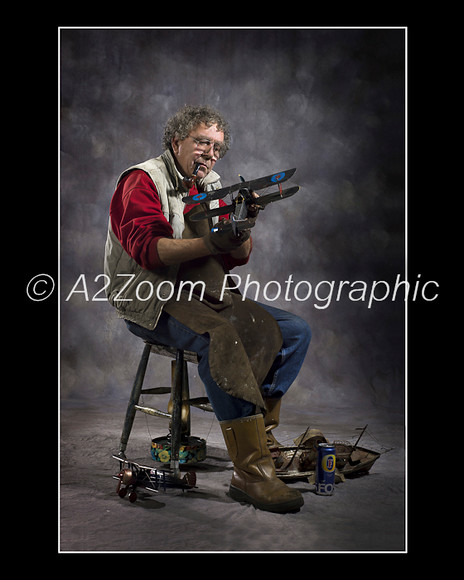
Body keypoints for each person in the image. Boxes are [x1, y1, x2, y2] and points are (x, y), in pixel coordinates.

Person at [104, 105, 311, 513]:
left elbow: (237, 257)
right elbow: (149, 251)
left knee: (294, 331)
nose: (210, 154)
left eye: (217, 148)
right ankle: (250, 472)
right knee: (222, 338)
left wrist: (242, 225)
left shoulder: (211, 184)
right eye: (202, 142)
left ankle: (259, 436)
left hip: (204, 293)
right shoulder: (142, 180)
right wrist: (211, 244)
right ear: (176, 140)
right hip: (151, 297)